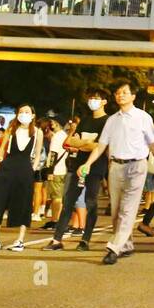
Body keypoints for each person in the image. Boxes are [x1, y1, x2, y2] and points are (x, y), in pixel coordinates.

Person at [77, 81, 154, 265]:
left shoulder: (143, 117)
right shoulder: (112, 120)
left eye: (125, 92)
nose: (121, 95)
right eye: (118, 93)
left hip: (137, 166)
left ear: (133, 96)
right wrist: (87, 164)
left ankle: (114, 248)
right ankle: (126, 245)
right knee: (116, 210)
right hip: (116, 167)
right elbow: (101, 146)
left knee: (128, 209)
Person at [46, 89, 110, 251]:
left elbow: (101, 146)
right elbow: (68, 143)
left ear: (104, 102)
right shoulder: (85, 120)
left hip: (95, 168)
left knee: (91, 203)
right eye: (90, 98)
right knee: (68, 202)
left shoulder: (107, 122)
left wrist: (81, 143)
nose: (92, 101)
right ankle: (56, 240)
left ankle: (85, 239)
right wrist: (86, 144)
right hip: (77, 167)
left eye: (96, 98)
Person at [0, 105, 45, 252]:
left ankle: (20, 240)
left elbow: (38, 152)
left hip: (25, 169)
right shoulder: (11, 128)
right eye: (21, 112)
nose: (23, 114)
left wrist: (33, 168)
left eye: (27, 112)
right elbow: (2, 148)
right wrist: (2, 161)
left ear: (33, 115)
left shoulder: (37, 132)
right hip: (8, 167)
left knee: (23, 203)